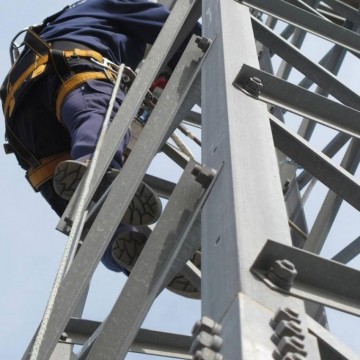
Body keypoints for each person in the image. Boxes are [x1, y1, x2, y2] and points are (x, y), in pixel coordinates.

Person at [1, 0, 201, 298]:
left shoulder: (64, 21)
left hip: (22, 117)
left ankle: (120, 242)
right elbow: (175, 26)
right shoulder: (113, 4)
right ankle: (97, 167)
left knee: (83, 215)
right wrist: (206, 48)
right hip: (68, 70)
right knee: (99, 118)